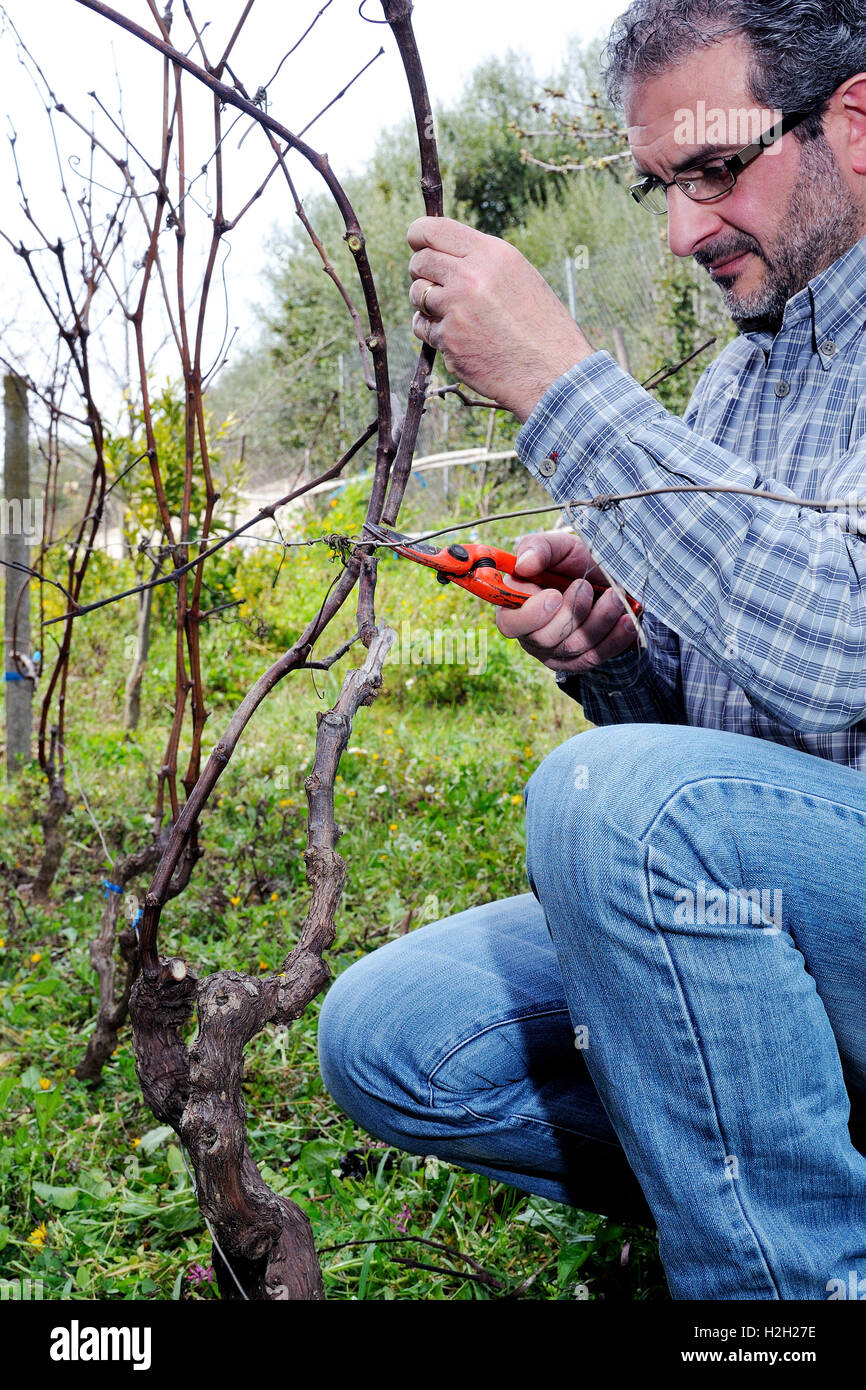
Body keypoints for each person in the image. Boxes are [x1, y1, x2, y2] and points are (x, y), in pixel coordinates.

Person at [317, 0, 866, 1300]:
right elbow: (723, 762)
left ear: (853, 118)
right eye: (662, 187)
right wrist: (607, 656)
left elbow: (842, 649)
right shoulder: (742, 378)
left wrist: (560, 384)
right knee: (388, 1036)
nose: (682, 231)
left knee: (612, 807)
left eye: (717, 169)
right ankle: (780, 1174)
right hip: (795, 918)